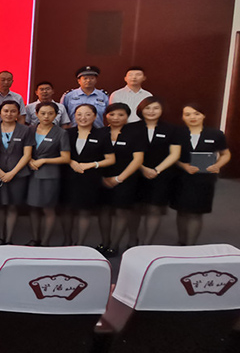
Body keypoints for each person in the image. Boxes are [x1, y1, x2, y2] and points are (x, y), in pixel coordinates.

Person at [171, 103, 231, 246]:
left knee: (196, 212)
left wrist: (217, 165)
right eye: (187, 114)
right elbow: (171, 155)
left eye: (196, 113)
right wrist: (183, 165)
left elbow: (225, 154)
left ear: (203, 115)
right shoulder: (177, 133)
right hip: (181, 177)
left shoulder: (215, 134)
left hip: (204, 179)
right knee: (182, 211)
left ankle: (191, 246)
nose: (192, 117)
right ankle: (181, 242)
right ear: (182, 117)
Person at [61, 104, 115, 246]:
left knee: (84, 211)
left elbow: (110, 159)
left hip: (90, 178)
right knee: (67, 209)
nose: (83, 118)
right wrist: (71, 162)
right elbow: (60, 153)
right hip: (68, 177)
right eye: (79, 114)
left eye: (87, 114)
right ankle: (67, 240)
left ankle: (80, 244)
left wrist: (92, 164)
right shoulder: (67, 133)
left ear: (95, 116)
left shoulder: (102, 135)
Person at [97, 103, 145, 257]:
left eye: (121, 115)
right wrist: (101, 177)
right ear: (106, 116)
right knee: (103, 210)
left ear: (127, 117)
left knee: (121, 211)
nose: (116, 118)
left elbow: (138, 160)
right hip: (102, 178)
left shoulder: (135, 134)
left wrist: (118, 179)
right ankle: (105, 242)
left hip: (126, 178)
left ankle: (114, 245)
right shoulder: (100, 132)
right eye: (112, 114)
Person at [134, 97, 181, 245]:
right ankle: (132, 240)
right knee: (134, 209)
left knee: (155, 209)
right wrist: (142, 168)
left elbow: (174, 154)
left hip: (161, 174)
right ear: (141, 110)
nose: (151, 111)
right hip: (135, 172)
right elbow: (126, 152)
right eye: (147, 108)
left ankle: (147, 243)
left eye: (155, 108)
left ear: (162, 110)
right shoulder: (131, 128)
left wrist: (156, 170)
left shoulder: (172, 129)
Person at [0, 100, 34, 247]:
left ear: (18, 113)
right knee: (0, 205)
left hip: (18, 174)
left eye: (13, 111)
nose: (9, 114)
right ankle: (0, 236)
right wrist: (0, 172)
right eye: (6, 111)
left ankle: (8, 239)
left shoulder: (25, 130)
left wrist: (12, 173)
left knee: (13, 206)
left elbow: (27, 155)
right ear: (0, 113)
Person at [26, 102, 71, 246]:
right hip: (30, 173)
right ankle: (35, 239)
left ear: (56, 115)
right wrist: (29, 160)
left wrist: (44, 160)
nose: (46, 116)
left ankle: (45, 242)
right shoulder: (30, 130)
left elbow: (66, 158)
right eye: (43, 113)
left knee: (48, 209)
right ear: (36, 114)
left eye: (50, 113)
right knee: (33, 207)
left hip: (50, 175)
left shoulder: (61, 133)